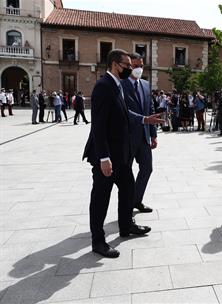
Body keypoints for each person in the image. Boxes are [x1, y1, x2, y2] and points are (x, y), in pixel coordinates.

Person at [83, 49, 150, 258]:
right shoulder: (104, 86)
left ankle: (125, 226)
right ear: (114, 64)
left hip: (121, 155)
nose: (130, 69)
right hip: (107, 156)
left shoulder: (117, 85)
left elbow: (122, 113)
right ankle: (98, 241)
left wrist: (144, 120)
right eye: (127, 65)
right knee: (101, 198)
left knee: (128, 189)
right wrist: (104, 157)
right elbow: (99, 126)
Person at [121, 52, 163, 214]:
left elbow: (150, 110)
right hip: (127, 137)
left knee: (147, 168)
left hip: (144, 137)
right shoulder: (121, 84)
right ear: (130, 66)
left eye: (141, 66)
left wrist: (153, 135)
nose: (139, 69)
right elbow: (123, 111)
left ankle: (136, 200)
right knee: (126, 174)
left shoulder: (145, 84)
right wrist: (144, 119)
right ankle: (125, 205)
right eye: (136, 66)